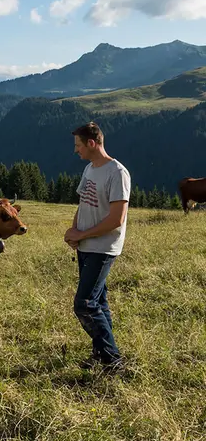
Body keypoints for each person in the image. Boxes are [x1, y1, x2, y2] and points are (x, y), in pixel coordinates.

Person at [64, 122, 131, 370]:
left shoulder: (117, 173)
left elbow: (116, 219)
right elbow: (83, 204)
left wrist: (83, 233)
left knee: (84, 304)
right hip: (85, 246)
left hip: (102, 248)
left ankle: (112, 360)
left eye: (78, 145)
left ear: (92, 143)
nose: (76, 151)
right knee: (99, 302)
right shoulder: (90, 169)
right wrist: (74, 232)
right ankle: (101, 354)